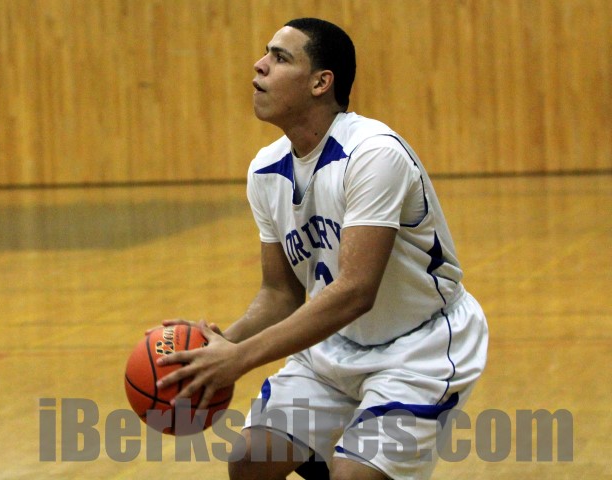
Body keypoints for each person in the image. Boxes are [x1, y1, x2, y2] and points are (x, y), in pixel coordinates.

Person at [156, 17, 488, 480]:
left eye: (279, 57)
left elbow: (355, 292)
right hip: (335, 344)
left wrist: (240, 359)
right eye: (265, 53)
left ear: (320, 83)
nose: (259, 65)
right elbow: (280, 293)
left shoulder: (373, 154)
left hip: (421, 345)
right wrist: (219, 346)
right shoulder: (266, 170)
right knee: (250, 460)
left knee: (353, 475)